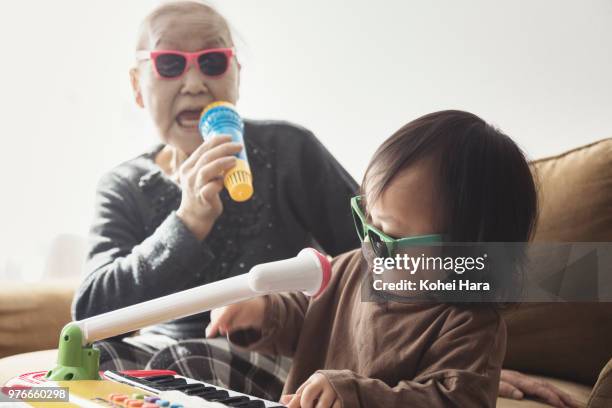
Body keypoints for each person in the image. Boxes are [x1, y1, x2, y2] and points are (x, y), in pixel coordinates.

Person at [71, 0, 359, 399]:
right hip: (161, 351)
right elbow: (90, 313)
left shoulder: (290, 152)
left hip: (275, 352)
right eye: (170, 63)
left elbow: (377, 256)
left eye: (212, 62)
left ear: (236, 77)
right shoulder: (125, 185)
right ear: (138, 86)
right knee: (92, 365)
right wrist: (187, 222)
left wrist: (281, 307)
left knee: (184, 366)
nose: (193, 83)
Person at [206, 110, 548, 407]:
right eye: (366, 220)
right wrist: (263, 312)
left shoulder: (470, 326)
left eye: (393, 237)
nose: (371, 246)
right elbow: (304, 313)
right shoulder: (356, 266)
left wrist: (355, 396)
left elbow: (451, 401)